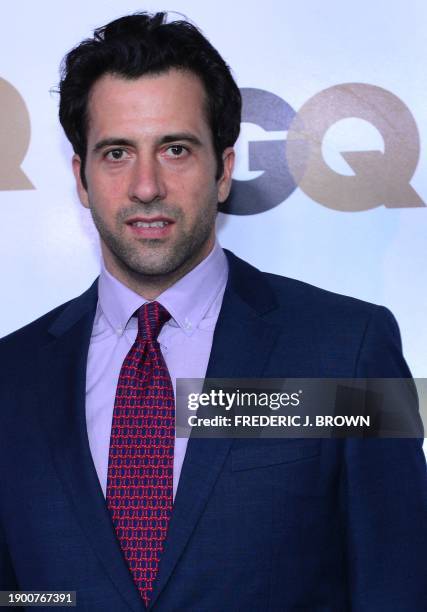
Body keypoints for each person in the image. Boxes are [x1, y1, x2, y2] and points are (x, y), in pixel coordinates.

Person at [0, 12, 425, 612]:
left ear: (224, 170)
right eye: (117, 152)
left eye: (176, 149)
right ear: (82, 177)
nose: (146, 186)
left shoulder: (346, 351)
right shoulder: (12, 377)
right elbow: (22, 594)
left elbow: (398, 584)